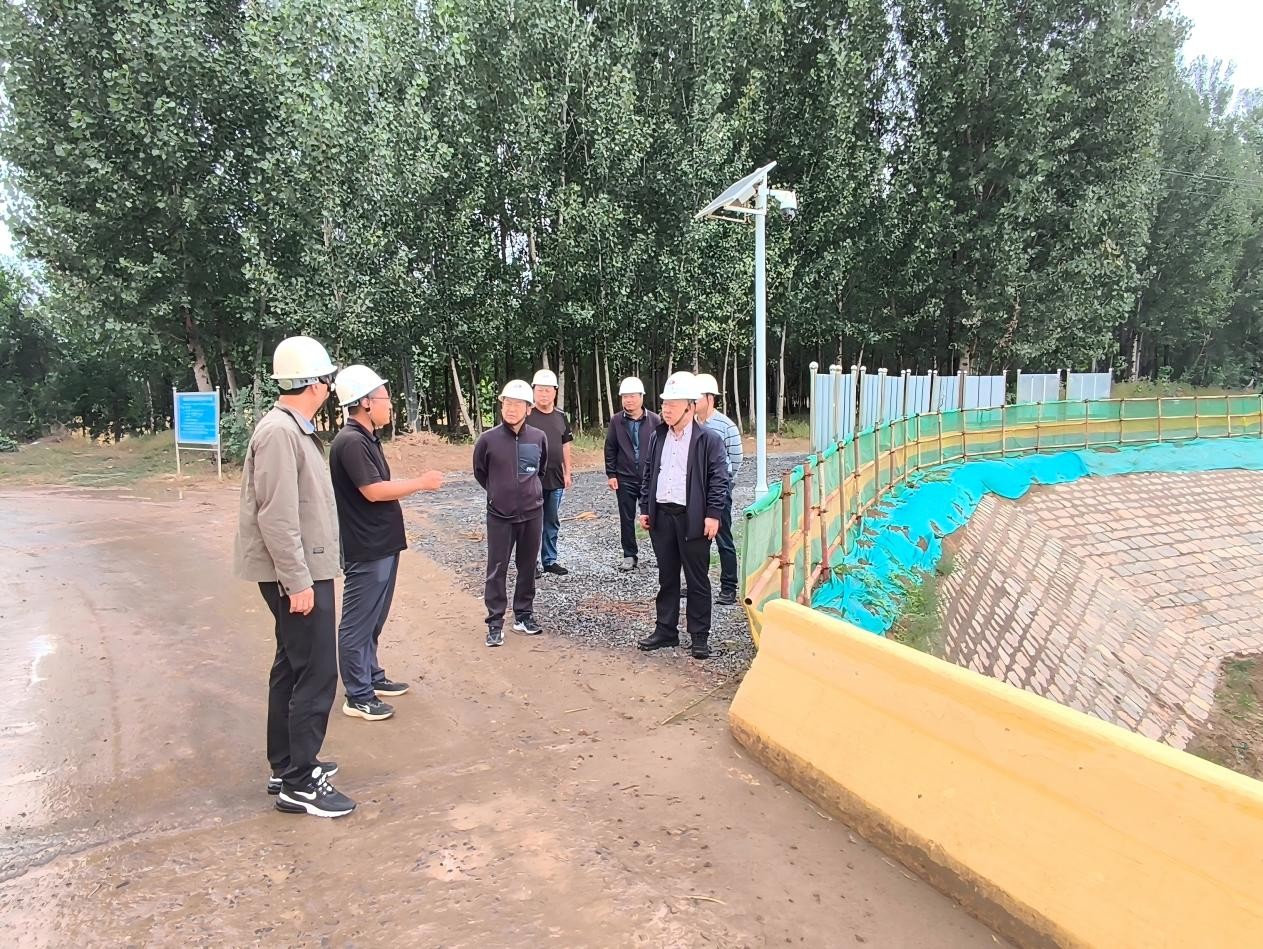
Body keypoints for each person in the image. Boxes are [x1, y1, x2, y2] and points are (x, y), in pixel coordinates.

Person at [234, 335, 354, 818]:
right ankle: (300, 784)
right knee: (317, 670)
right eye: (327, 379)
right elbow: (277, 515)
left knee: (292, 663)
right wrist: (298, 582)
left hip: (304, 567)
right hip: (299, 572)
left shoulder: (290, 429)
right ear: (315, 384)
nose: (329, 388)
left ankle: (287, 765)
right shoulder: (279, 433)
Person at [329, 365, 443, 723]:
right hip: (366, 548)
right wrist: (420, 483)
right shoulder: (350, 442)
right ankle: (358, 695)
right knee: (357, 622)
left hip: (381, 544)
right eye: (384, 398)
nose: (389, 404)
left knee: (374, 617)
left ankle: (371, 676)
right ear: (365, 402)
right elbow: (373, 490)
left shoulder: (367, 439)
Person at [636, 371, 730, 660]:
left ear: (690, 407)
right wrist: (645, 507)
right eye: (665, 404)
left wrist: (713, 514)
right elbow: (649, 472)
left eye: (673, 405)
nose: (666, 409)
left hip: (693, 518)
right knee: (667, 576)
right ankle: (666, 630)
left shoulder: (708, 439)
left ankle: (699, 636)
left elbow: (719, 480)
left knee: (697, 578)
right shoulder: (658, 436)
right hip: (662, 516)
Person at [473, 380, 549, 647]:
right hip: (500, 515)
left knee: (528, 566)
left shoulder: (538, 437)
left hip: (532, 513)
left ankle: (523, 615)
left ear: (529, 409)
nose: (511, 408)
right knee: (497, 568)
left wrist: (529, 494)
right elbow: (480, 472)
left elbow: (540, 471)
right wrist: (498, 493)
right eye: (507, 403)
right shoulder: (488, 439)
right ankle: (495, 622)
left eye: (518, 404)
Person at [693, 373, 743, 606]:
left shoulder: (726, 425)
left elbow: (736, 458)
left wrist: (724, 483)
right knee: (695, 539)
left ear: (710, 398)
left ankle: (729, 587)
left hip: (719, 489)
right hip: (695, 490)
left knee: (723, 538)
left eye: (697, 397)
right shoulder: (690, 424)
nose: (693, 402)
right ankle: (696, 583)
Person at [604, 376, 661, 570]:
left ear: (641, 397)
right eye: (625, 397)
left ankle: (661, 554)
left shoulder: (655, 420)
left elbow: (662, 448)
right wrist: (611, 474)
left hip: (649, 478)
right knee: (626, 518)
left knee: (654, 516)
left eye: (632, 396)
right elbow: (610, 448)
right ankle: (629, 555)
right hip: (625, 478)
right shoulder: (616, 421)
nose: (628, 400)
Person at [523, 369, 573, 576]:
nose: (543, 394)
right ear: (534, 391)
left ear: (555, 392)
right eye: (540, 390)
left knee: (551, 521)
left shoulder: (561, 416)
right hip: (531, 479)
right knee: (531, 522)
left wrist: (568, 472)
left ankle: (549, 560)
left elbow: (565, 445)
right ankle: (530, 563)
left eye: (547, 390)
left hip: (556, 478)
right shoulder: (527, 415)